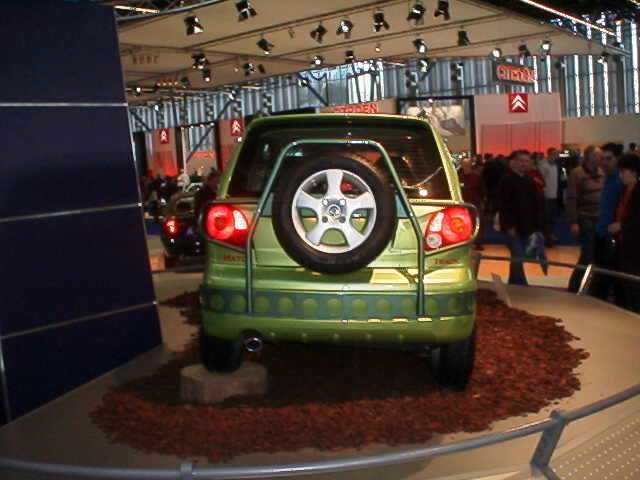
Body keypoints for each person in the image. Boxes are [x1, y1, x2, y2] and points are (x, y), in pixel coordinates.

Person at [497, 150, 544, 286]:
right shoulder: (507, 180)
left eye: (527, 161)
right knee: (517, 254)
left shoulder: (529, 180)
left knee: (518, 255)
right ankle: (520, 283)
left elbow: (535, 204)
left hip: (526, 225)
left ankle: (513, 283)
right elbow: (503, 205)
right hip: (512, 226)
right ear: (514, 162)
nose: (524, 164)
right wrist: (508, 225)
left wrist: (536, 225)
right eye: (521, 161)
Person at [567, 146, 605, 293]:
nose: (601, 159)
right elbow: (572, 198)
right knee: (587, 253)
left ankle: (590, 286)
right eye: (598, 156)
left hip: (600, 217)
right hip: (584, 216)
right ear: (589, 157)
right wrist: (574, 221)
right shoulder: (576, 173)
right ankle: (576, 285)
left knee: (596, 253)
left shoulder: (602, 172)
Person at [591, 143, 624, 300]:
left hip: (614, 236)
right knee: (602, 274)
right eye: (602, 159)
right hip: (601, 232)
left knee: (610, 277)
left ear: (618, 159)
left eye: (608, 159)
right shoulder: (608, 178)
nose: (604, 162)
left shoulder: (622, 180)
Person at [607, 153, 640, 311]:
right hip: (622, 243)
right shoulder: (625, 191)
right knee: (623, 283)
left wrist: (622, 225)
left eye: (623, 171)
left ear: (633, 171)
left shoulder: (637, 191)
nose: (620, 175)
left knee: (632, 284)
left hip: (635, 246)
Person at [459, 157, 485, 249]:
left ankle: (478, 242)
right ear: (461, 165)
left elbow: (482, 190)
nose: (466, 166)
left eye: (467, 164)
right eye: (464, 164)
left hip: (475, 203)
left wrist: (482, 201)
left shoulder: (477, 177)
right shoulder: (458, 177)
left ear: (470, 165)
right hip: (462, 204)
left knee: (477, 223)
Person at [538, 148, 560, 246]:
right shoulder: (543, 165)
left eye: (557, 154)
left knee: (551, 218)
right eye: (555, 154)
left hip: (553, 195)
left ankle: (549, 236)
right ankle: (546, 238)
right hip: (546, 195)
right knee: (546, 218)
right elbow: (540, 180)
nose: (557, 156)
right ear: (550, 154)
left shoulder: (555, 165)